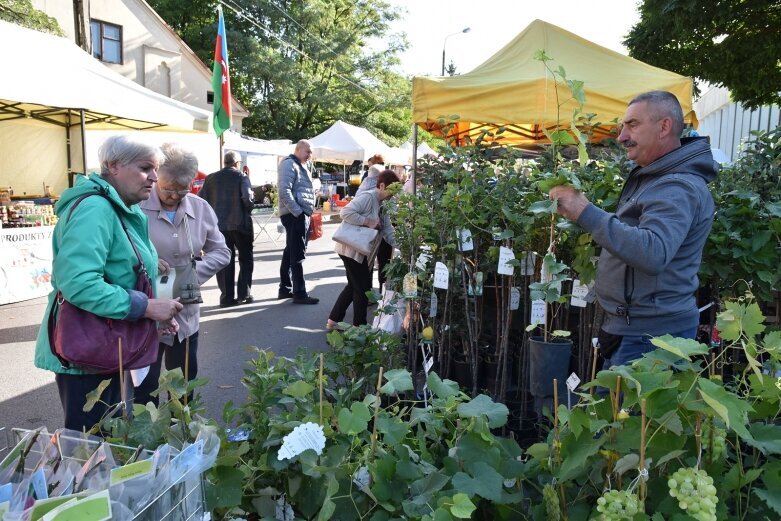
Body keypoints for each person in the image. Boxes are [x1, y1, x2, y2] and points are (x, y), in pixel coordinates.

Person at [549, 90, 717, 367]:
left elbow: (653, 252)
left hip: (652, 336)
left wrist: (585, 212)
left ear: (664, 127)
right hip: (637, 329)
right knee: (615, 409)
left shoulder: (677, 186)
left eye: (633, 125)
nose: (622, 137)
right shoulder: (656, 177)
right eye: (623, 126)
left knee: (625, 411)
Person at [34, 135, 183, 432]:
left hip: (104, 345)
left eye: (155, 169)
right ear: (113, 166)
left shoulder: (118, 209)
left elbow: (118, 273)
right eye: (145, 168)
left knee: (107, 443)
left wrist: (152, 316)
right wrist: (146, 307)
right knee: (92, 449)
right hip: (86, 353)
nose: (154, 177)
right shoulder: (96, 209)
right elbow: (79, 283)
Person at [136, 143, 230, 406]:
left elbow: (221, 252)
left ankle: (182, 434)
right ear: (155, 176)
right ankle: (149, 442)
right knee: (146, 388)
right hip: (147, 313)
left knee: (184, 385)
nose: (175, 195)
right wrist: (148, 262)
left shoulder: (200, 208)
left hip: (185, 314)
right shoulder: (136, 207)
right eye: (168, 188)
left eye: (182, 189)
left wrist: (192, 275)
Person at [327, 170, 401, 329]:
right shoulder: (368, 197)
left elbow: (388, 231)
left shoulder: (384, 204)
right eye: (392, 191)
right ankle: (359, 327)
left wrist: (404, 246)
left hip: (357, 250)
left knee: (353, 285)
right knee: (363, 287)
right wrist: (367, 221)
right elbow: (345, 212)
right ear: (381, 186)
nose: (393, 196)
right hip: (350, 249)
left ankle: (333, 320)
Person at [199, 151, 255, 307]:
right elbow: (247, 198)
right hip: (240, 224)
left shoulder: (210, 178)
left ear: (225, 162)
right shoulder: (242, 177)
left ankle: (226, 297)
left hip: (218, 226)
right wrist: (249, 208)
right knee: (246, 259)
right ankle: (244, 294)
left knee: (224, 260)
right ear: (237, 163)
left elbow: (200, 200)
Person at [277, 140, 319, 304]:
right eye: (308, 152)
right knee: (297, 253)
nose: (310, 155)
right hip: (295, 214)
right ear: (298, 149)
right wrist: (299, 213)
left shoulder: (298, 165)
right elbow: (284, 191)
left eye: (310, 152)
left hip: (298, 213)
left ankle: (285, 288)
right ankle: (299, 293)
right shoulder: (289, 164)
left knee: (291, 251)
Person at [357, 154, 392, 291]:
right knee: (382, 262)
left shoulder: (362, 187)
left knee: (367, 266)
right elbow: (347, 213)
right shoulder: (374, 191)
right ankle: (382, 293)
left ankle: (368, 294)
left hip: (365, 235)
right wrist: (369, 222)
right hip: (374, 233)